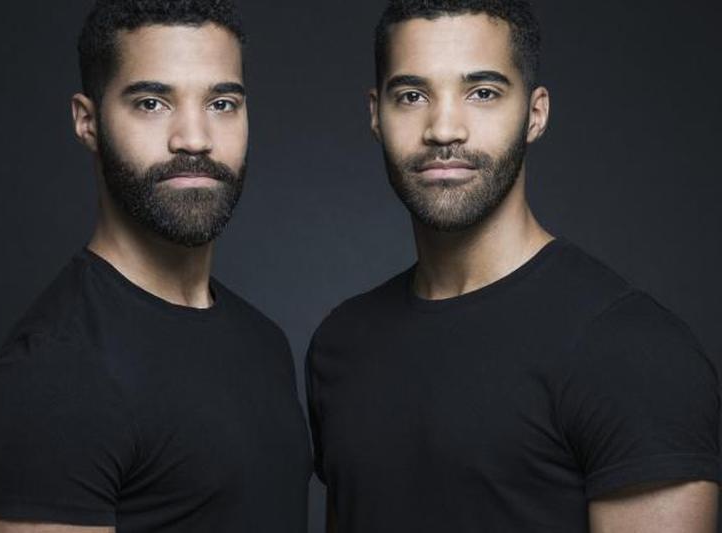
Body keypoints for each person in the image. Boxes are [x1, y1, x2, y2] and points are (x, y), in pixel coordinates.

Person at [305, 1, 720, 531]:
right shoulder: (342, 343)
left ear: (535, 114)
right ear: (375, 115)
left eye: (482, 92)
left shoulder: (632, 352)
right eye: (412, 95)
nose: (444, 129)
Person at [0, 1, 311, 531]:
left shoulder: (264, 342)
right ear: (87, 121)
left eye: (221, 103)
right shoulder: (47, 382)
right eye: (151, 103)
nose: (194, 139)